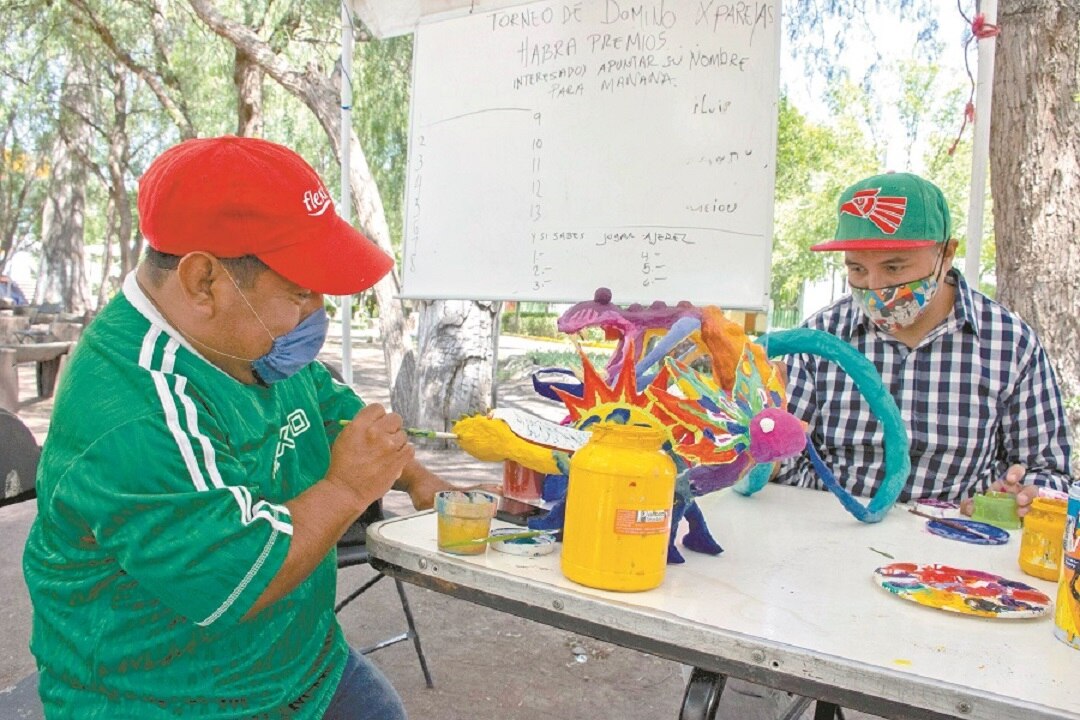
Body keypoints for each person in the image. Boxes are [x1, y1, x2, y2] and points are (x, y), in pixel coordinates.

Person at [22, 136, 455, 719]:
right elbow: (237, 578)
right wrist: (348, 489)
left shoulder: (249, 339)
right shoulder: (131, 412)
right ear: (204, 282)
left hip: (300, 666)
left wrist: (421, 480)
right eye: (301, 292)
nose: (317, 314)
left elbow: (336, 413)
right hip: (167, 698)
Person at [775, 171, 1073, 515]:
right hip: (835, 528)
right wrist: (762, 451)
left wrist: (1024, 494)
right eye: (857, 270)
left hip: (957, 543)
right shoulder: (819, 338)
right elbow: (786, 462)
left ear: (946, 254)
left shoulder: (1011, 344)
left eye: (894, 267)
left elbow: (1051, 472)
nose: (874, 286)